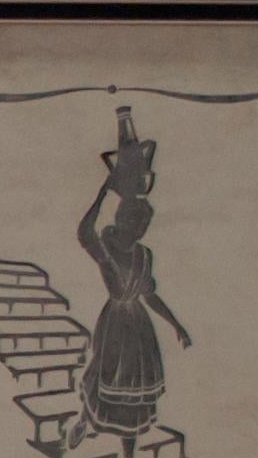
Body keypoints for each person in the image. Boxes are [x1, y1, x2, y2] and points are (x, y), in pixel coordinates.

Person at [78, 105, 192, 438]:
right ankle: (87, 421)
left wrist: (176, 324)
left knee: (136, 394)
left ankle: (128, 457)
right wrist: (103, 190)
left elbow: (150, 296)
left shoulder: (144, 255)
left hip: (138, 327)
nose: (138, 228)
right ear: (122, 220)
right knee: (105, 377)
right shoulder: (108, 248)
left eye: (143, 223)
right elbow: (84, 232)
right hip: (114, 323)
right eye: (133, 221)